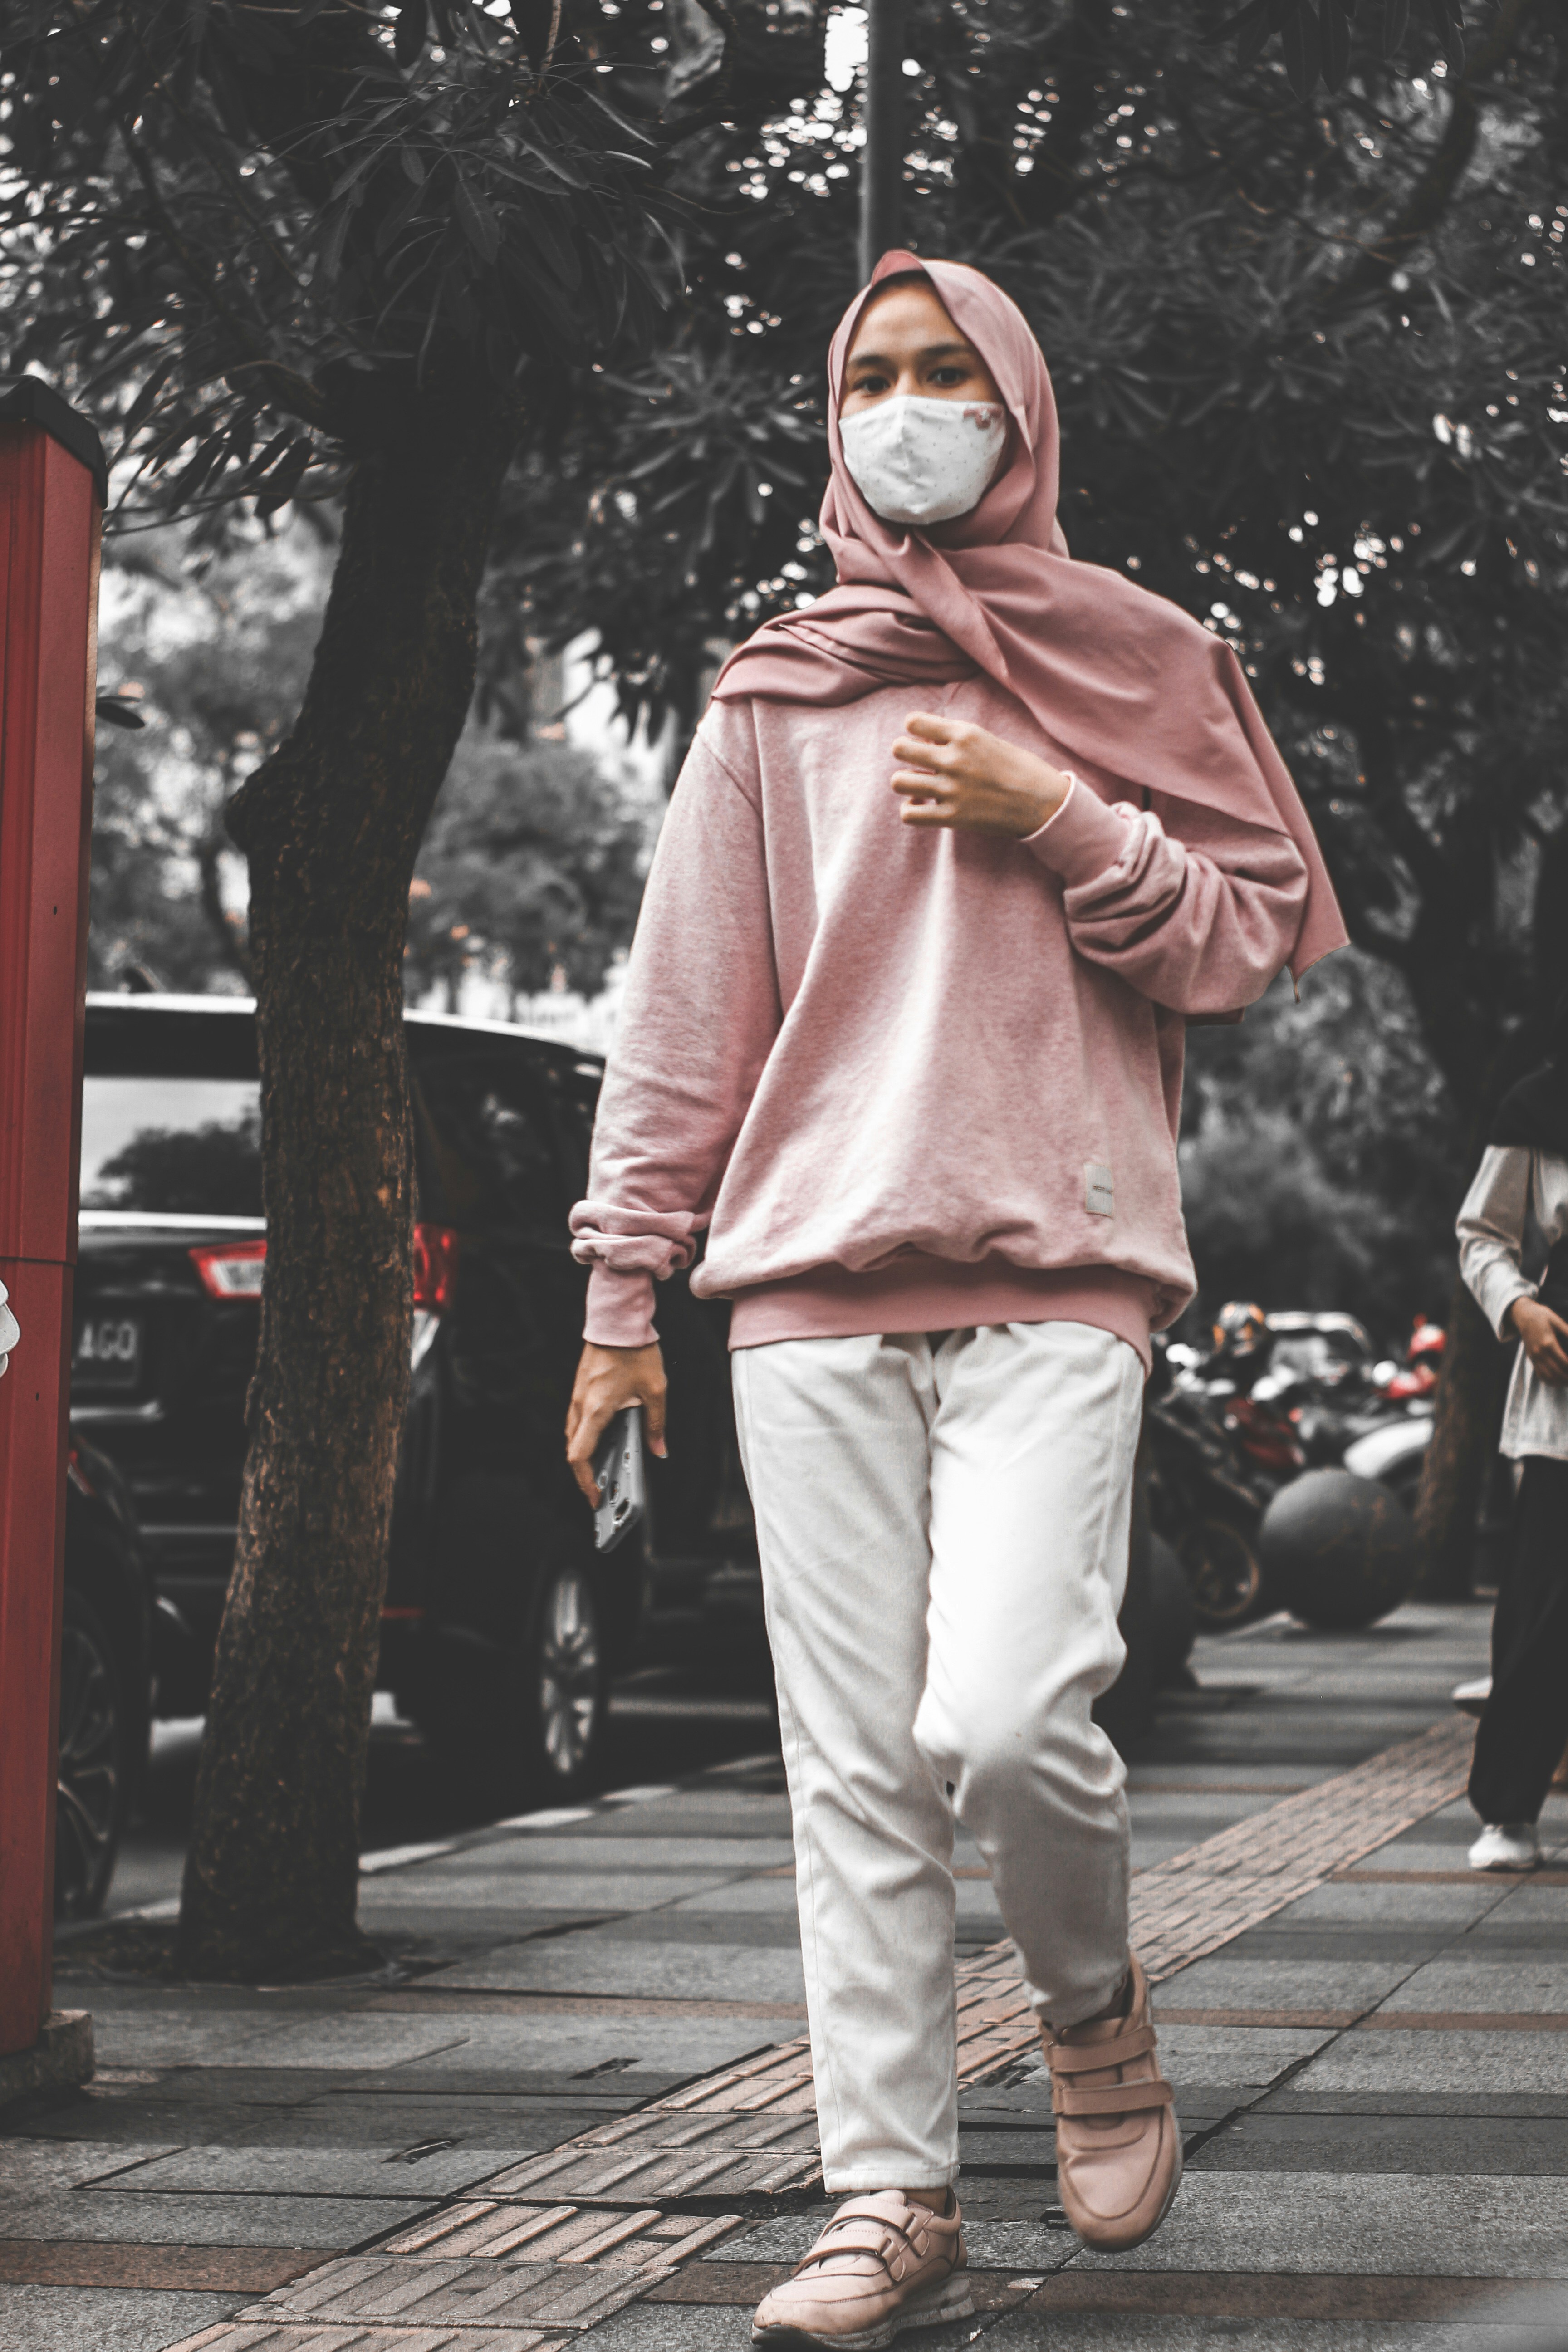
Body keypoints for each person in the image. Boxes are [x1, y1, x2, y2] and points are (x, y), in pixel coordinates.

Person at [564, 252, 1345, 2350]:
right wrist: (617, 1286)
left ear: (1018, 407)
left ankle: (1088, 2006)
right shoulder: (774, 691)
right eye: (866, 377)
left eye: (942, 373)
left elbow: (1246, 936)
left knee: (997, 1714)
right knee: (850, 1774)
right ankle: (885, 2200)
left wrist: (1059, 812)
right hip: (804, 1284)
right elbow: (681, 1018)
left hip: (1058, 1263)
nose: (901, 407)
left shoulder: (1135, 661)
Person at [1456, 989, 1568, 1874]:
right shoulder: (1537, 1105)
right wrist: (1521, 1311)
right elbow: (1481, 1236)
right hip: (1564, 1406)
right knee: (1542, 1610)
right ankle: (1509, 1812)